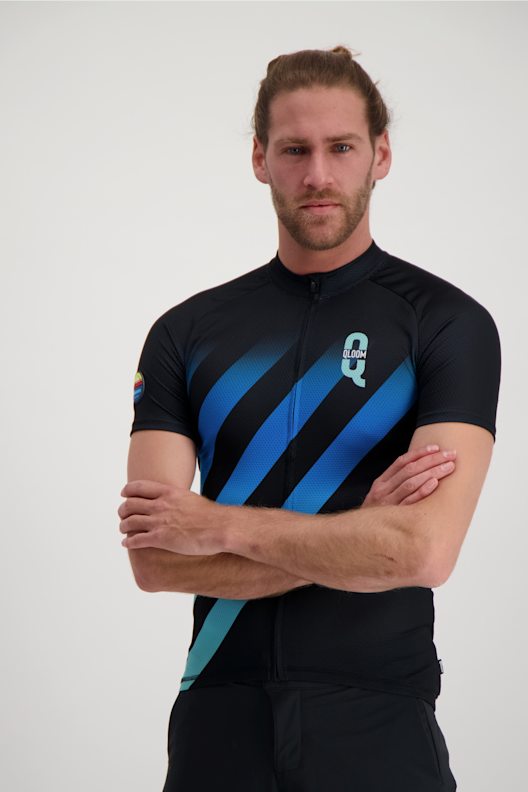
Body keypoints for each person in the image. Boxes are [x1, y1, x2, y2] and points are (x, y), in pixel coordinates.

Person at [118, 46, 500, 792]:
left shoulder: (446, 325)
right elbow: (156, 560)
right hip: (216, 718)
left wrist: (218, 525)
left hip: (378, 718)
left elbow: (422, 552)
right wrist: (358, 535)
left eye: (341, 148)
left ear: (380, 155)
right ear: (260, 159)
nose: (318, 175)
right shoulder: (185, 333)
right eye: (294, 150)